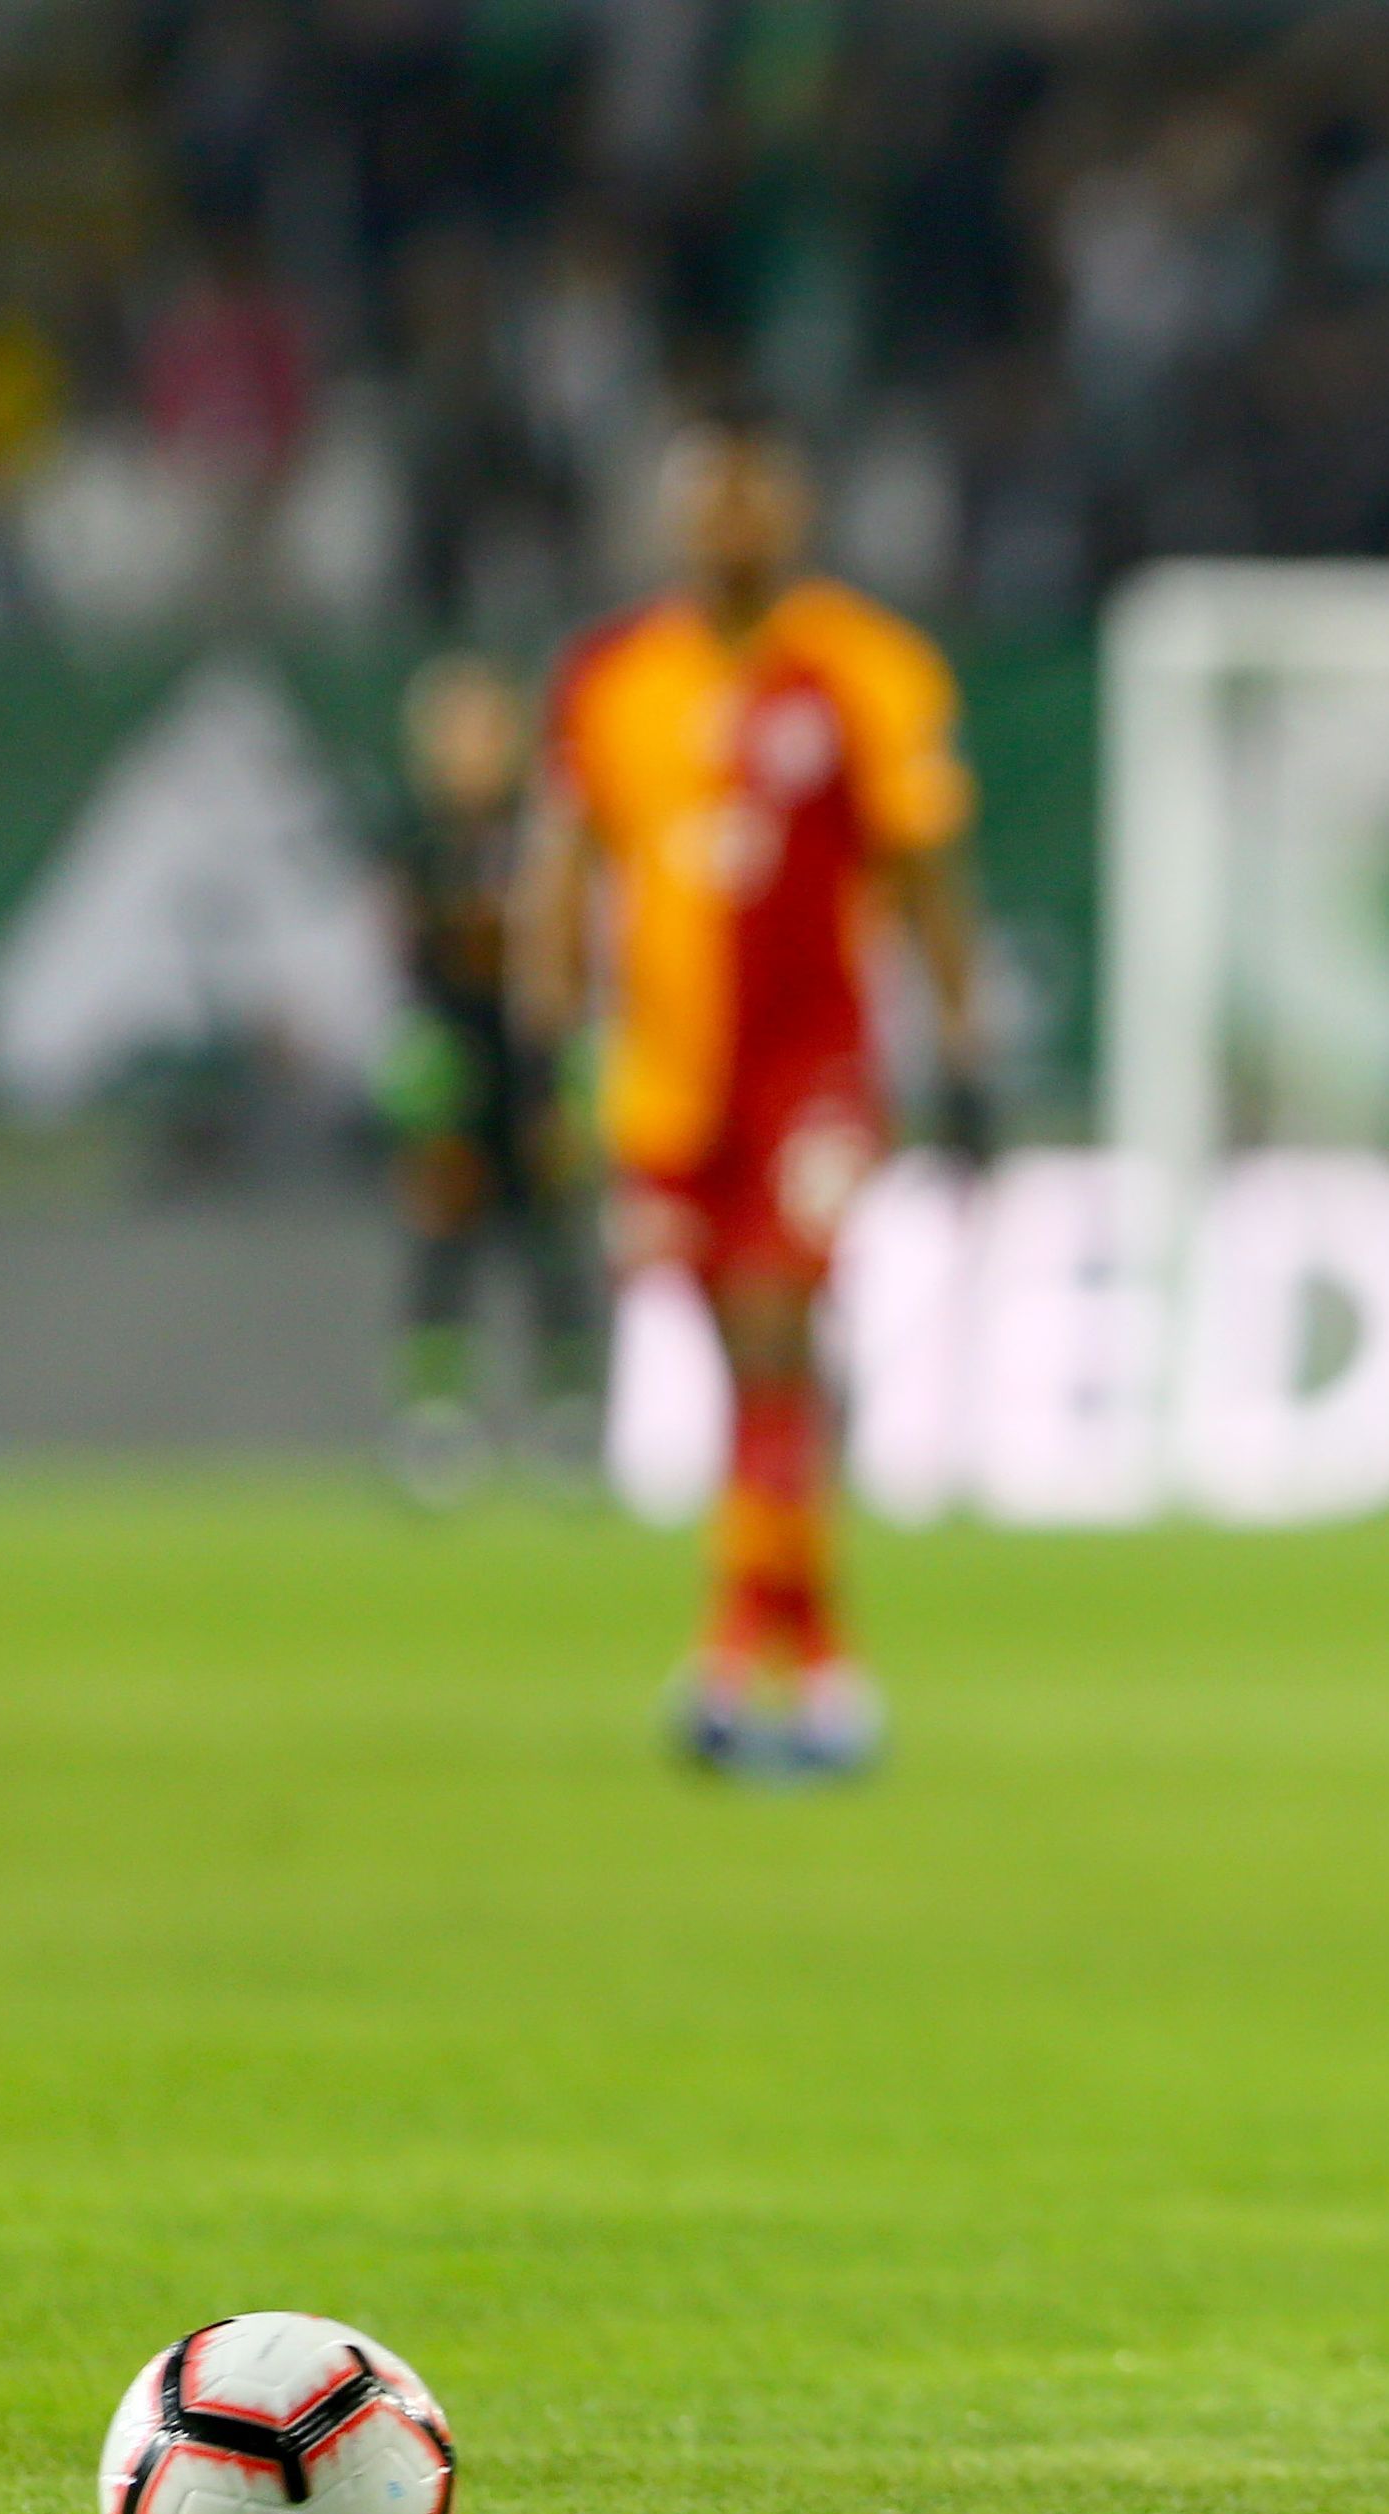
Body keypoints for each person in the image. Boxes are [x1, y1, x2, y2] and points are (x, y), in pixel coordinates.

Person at [517, 407, 992, 1778]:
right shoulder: (608, 679)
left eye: (755, 498)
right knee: (748, 1370)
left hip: (814, 1069)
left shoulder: (869, 673)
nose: (733, 524)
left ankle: (731, 1667)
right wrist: (548, 1049)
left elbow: (925, 878)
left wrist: (958, 1050)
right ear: (674, 517)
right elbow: (562, 872)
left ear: (794, 514)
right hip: (668, 1082)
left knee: (778, 1332)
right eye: (709, 498)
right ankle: (826, 1672)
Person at [378, 649, 597, 1505]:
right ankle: (436, 1418)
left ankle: (569, 1413)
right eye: (452, 735)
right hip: (451, 1063)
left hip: (534, 1059)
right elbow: (397, 957)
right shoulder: (414, 840)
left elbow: (580, 944)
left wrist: (575, 1062)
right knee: (443, 1237)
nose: (468, 752)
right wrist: (412, 1060)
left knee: (553, 1238)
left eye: (484, 732)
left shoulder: (549, 831)